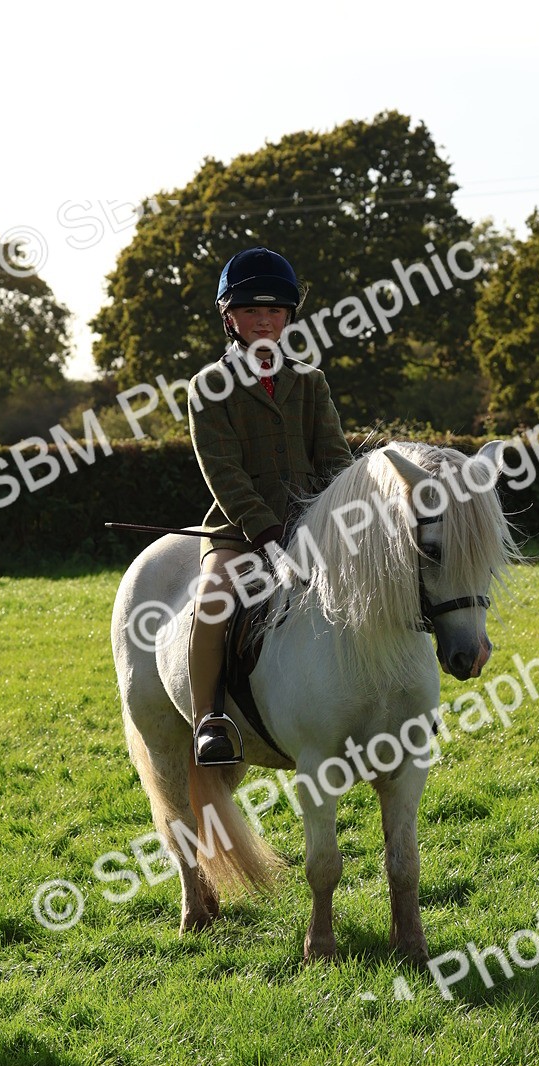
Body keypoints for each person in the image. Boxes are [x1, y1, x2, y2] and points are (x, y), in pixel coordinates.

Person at [187, 246, 353, 765]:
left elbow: (334, 461)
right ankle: (209, 718)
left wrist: (343, 517)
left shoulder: (310, 381)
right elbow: (225, 474)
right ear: (229, 317)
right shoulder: (208, 387)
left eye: (275, 311)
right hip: (242, 531)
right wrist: (267, 538)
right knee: (213, 600)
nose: (264, 320)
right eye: (253, 310)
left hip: (314, 526)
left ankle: (398, 700)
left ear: (288, 317)